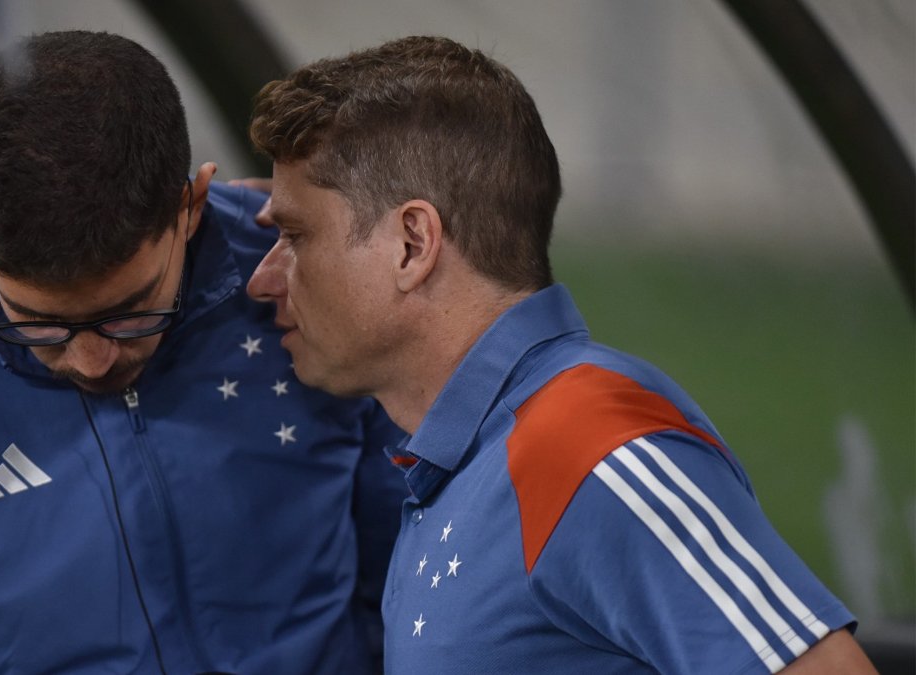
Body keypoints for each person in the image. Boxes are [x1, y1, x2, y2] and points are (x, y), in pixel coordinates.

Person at [0, 30, 407, 674]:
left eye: (130, 312)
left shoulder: (301, 286)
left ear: (191, 204)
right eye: (37, 324)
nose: (92, 360)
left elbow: (422, 569)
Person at [246, 35, 876, 673]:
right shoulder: (472, 459)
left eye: (296, 235)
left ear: (413, 244)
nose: (262, 279)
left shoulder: (587, 443)